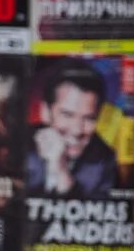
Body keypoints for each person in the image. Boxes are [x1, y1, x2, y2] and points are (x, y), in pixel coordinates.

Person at [25, 65, 121, 198]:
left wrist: (60, 170)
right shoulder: (17, 147)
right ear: (45, 112)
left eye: (89, 118)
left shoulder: (106, 163)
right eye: (67, 115)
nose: (77, 130)